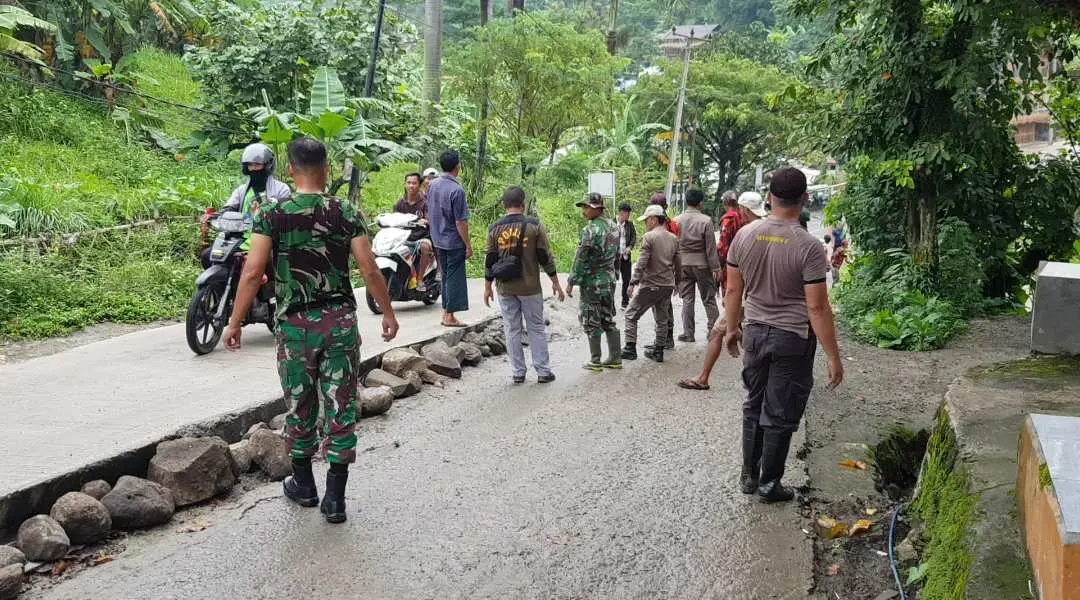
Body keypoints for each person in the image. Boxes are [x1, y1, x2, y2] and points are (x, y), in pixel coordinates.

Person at [223, 137, 399, 523]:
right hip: (339, 325)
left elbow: (253, 272)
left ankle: (303, 485)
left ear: (289, 170)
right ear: (326, 169)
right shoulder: (346, 211)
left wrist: (234, 322)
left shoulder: (272, 212)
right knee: (341, 405)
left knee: (299, 404)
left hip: (294, 328)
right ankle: (335, 499)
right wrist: (387, 312)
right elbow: (369, 269)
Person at [723, 167, 843, 504]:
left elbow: (733, 290)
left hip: (756, 333)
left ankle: (749, 474)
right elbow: (817, 309)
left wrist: (732, 330)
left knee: (754, 402)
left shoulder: (744, 236)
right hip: (792, 338)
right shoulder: (807, 246)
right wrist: (834, 357)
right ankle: (769, 484)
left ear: (770, 197)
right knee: (779, 411)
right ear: (804, 199)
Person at [677, 191, 766, 391]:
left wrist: (719, 270)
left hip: (743, 287)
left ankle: (703, 375)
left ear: (743, 208)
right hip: (764, 291)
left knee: (718, 330)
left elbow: (721, 248)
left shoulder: (736, 225)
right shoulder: (773, 228)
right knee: (712, 304)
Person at [483, 186, 566, 384]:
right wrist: (555, 282)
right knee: (536, 327)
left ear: (504, 205)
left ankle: (518, 372)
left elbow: (490, 259)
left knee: (512, 329)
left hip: (505, 287)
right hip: (530, 287)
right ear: (524, 204)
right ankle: (543, 371)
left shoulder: (494, 228)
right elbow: (544, 256)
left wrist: (487, 287)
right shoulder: (534, 226)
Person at [200, 143, 291, 268]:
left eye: (257, 164)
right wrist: (214, 216)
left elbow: (283, 214)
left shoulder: (281, 189)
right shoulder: (242, 190)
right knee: (207, 256)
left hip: (266, 240)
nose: (253, 168)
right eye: (250, 165)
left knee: (270, 266)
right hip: (239, 239)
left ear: (267, 165)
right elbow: (229, 207)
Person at [567, 192, 621, 371]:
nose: (583, 211)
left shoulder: (590, 230)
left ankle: (595, 360)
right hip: (609, 280)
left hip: (592, 283)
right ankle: (615, 357)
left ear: (595, 208)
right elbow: (617, 255)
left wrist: (571, 281)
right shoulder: (614, 226)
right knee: (607, 318)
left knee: (591, 319)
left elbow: (581, 258)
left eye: (586, 207)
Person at [620, 204, 680, 363]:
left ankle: (630, 348)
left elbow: (642, 262)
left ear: (654, 220)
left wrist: (633, 282)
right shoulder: (674, 238)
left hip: (651, 284)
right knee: (662, 319)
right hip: (667, 284)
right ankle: (658, 351)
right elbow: (678, 264)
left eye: (647, 220)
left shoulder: (649, 237)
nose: (646, 223)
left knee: (631, 314)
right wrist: (677, 283)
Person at [426, 151, 473, 327]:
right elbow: (461, 221)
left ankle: (445, 312)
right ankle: (450, 316)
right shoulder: (457, 190)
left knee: (446, 274)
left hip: (437, 238)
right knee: (454, 277)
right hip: (453, 240)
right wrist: (468, 244)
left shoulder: (432, 185)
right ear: (457, 166)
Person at [674, 187, 722, 343]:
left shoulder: (676, 220)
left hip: (683, 264)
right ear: (700, 203)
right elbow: (710, 249)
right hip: (702, 264)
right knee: (708, 298)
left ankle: (688, 333)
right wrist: (716, 268)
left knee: (687, 299)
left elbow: (673, 245)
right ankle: (713, 332)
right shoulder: (706, 221)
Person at [644, 192, 679, 353]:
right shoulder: (672, 224)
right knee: (663, 307)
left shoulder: (662, 224)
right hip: (668, 270)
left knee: (661, 309)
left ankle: (665, 339)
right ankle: (664, 338)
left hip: (658, 271)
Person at [394, 172, 434, 291]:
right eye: (409, 183)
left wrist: (424, 221)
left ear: (420, 185)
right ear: (405, 184)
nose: (411, 186)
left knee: (425, 247)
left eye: (414, 183)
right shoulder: (400, 203)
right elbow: (394, 217)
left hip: (421, 237)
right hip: (403, 238)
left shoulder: (425, 203)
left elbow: (429, 219)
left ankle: (420, 279)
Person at [616, 203, 638, 308]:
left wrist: (630, 247)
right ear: (622, 213)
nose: (629, 216)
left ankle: (625, 302)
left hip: (626, 257)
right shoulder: (611, 223)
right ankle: (609, 304)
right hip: (614, 258)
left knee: (627, 280)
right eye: (628, 214)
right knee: (612, 280)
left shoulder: (630, 224)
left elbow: (634, 237)